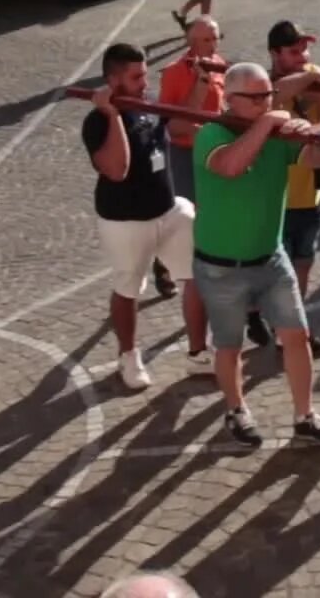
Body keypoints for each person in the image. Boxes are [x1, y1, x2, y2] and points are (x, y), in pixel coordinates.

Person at [191, 62, 320, 448]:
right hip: (221, 266)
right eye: (256, 97)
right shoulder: (210, 133)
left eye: (268, 95)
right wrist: (268, 123)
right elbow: (231, 166)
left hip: (271, 259)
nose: (266, 103)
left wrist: (314, 139)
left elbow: (319, 166)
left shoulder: (276, 134)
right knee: (230, 346)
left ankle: (305, 416)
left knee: (297, 335)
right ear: (230, 98)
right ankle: (236, 410)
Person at [83, 44, 209, 389]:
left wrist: (200, 85)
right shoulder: (97, 122)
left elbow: (179, 125)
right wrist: (112, 115)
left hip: (169, 211)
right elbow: (117, 169)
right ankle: (128, 357)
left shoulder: (148, 104)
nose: (145, 83)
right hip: (125, 222)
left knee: (197, 275)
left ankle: (199, 352)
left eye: (145, 75)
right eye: (136, 77)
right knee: (128, 289)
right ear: (113, 80)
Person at [247, 20, 320, 358]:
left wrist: (319, 88)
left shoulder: (310, 77)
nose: (303, 57)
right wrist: (310, 78)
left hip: (309, 197)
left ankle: (292, 330)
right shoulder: (262, 82)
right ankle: (269, 321)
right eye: (294, 51)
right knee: (273, 273)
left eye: (305, 50)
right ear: (275, 54)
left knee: (302, 266)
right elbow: (275, 94)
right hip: (274, 198)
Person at [155, 17, 224, 299]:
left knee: (210, 214)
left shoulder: (219, 65)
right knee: (182, 216)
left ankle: (206, 269)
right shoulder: (174, 73)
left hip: (212, 151)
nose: (213, 45)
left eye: (216, 38)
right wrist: (200, 85)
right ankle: (163, 264)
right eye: (207, 40)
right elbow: (171, 125)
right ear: (191, 43)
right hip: (184, 152)